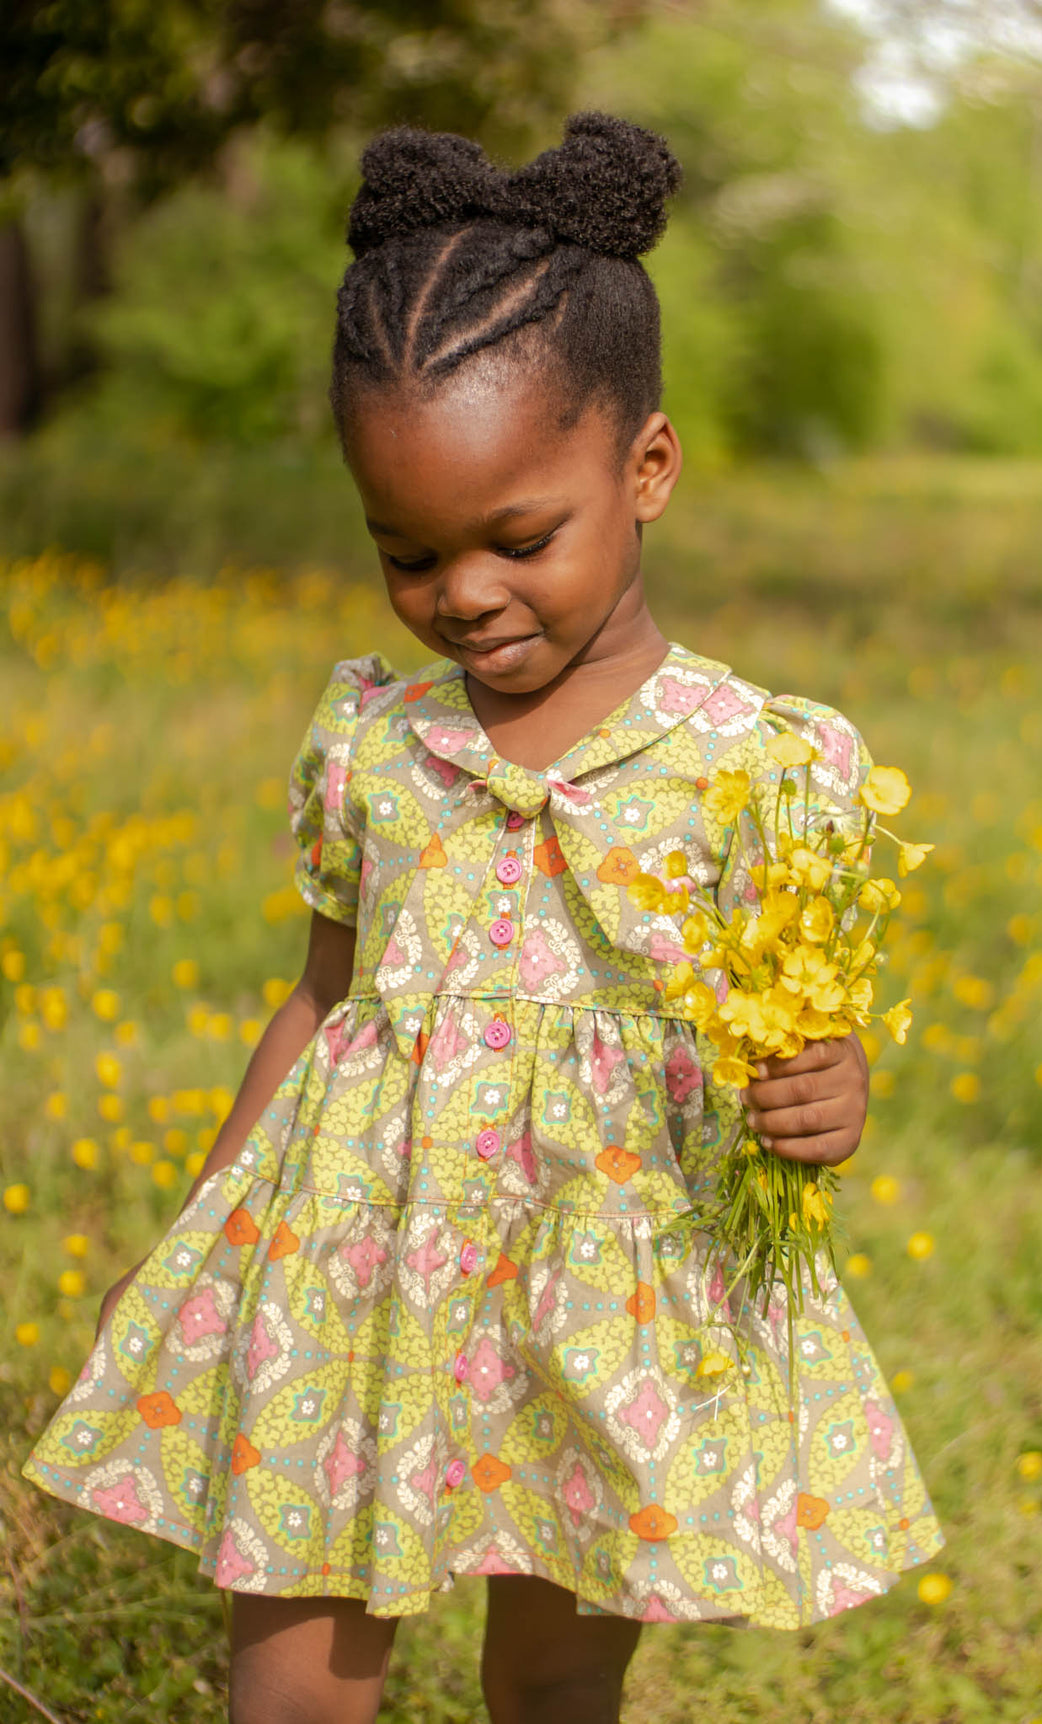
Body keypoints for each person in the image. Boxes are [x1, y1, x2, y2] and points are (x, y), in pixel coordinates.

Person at [22, 111, 944, 1724]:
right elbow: (319, 997)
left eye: (518, 538)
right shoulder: (374, 736)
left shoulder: (762, 763)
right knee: (291, 1676)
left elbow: (798, 1036)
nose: (462, 593)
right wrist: (203, 1235)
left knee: (556, 1678)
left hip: (604, 1279)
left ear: (644, 468)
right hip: (346, 1258)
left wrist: (828, 1098)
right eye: (407, 551)